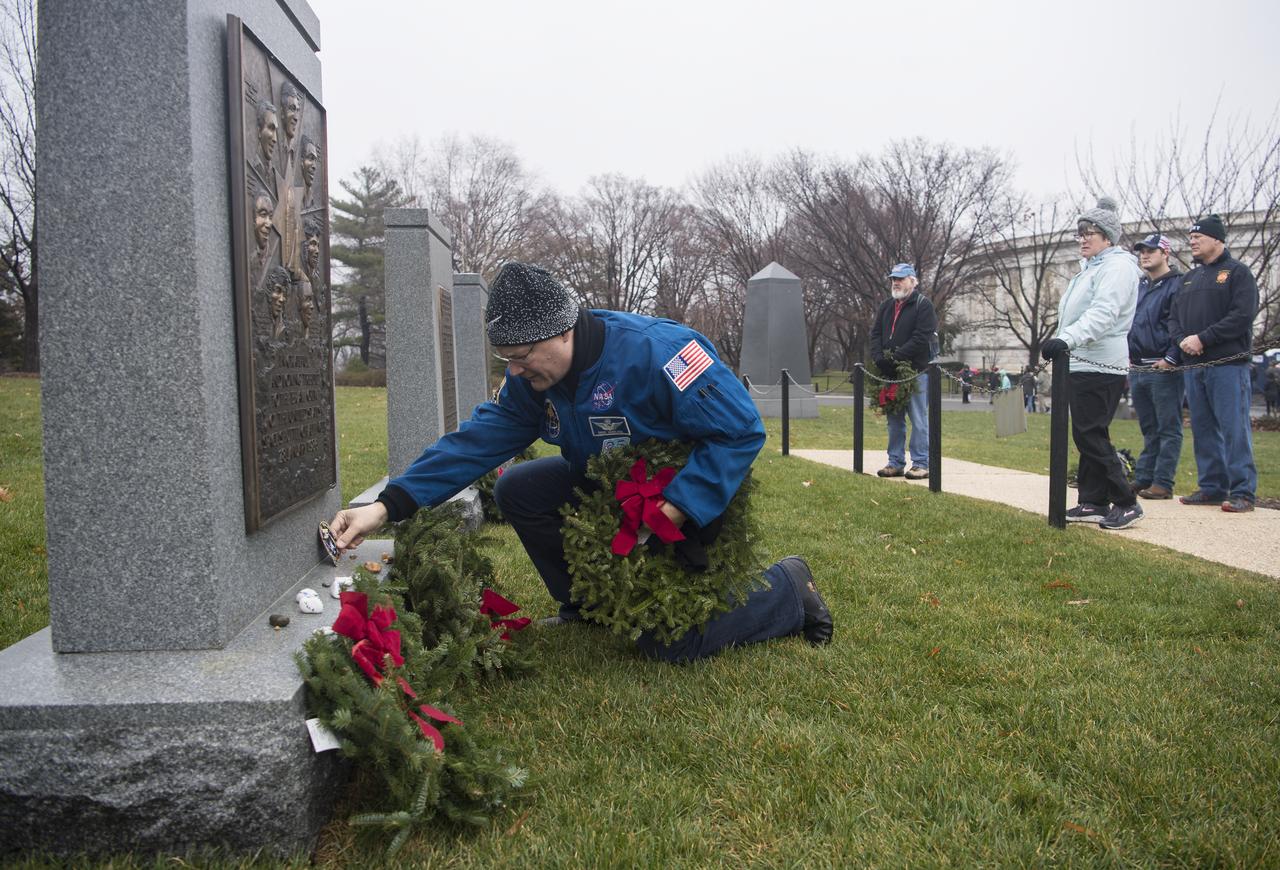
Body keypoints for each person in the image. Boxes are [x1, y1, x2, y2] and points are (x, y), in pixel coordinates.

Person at [327, 262, 834, 663]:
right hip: (608, 489)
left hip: (688, 499)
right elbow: (475, 442)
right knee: (520, 489)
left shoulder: (661, 353)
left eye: (522, 356)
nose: (516, 370)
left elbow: (740, 431)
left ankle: (788, 588)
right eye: (507, 360)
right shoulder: (532, 379)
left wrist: (672, 510)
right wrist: (385, 506)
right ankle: (589, 606)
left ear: (563, 331)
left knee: (670, 643)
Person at [1040, 197, 1142, 530]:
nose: (1083, 238)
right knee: (1086, 434)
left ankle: (1126, 501)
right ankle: (1093, 499)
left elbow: (1103, 314)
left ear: (1108, 237)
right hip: (1082, 363)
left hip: (1101, 364)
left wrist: (1066, 339)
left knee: (1091, 434)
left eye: (1091, 232)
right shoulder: (1092, 268)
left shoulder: (1118, 267)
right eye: (1080, 232)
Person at [1169, 214, 1259, 512]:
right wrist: (1182, 340)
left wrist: (1203, 338)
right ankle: (1212, 486)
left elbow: (1241, 316)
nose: (1192, 241)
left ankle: (1243, 491)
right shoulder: (1189, 278)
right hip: (1195, 367)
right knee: (1203, 429)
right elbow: (1174, 318)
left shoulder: (1237, 273)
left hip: (1227, 366)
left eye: (1199, 237)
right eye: (1191, 237)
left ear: (1217, 239)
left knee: (1234, 428)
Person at [1126, 233, 1184, 499]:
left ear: (1165, 254)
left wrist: (1172, 357)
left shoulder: (1177, 285)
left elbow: (1180, 323)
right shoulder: (1141, 286)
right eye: (1142, 251)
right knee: (1148, 427)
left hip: (1163, 367)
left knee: (1168, 427)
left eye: (1151, 251)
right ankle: (1145, 477)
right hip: (1138, 366)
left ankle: (1163, 482)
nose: (1145, 255)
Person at [870, 263, 937, 480]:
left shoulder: (923, 305)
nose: (895, 282)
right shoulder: (886, 306)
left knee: (918, 418)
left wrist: (896, 358)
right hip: (891, 374)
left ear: (912, 281)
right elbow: (876, 334)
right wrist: (879, 358)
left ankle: (921, 463)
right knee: (894, 419)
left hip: (916, 372)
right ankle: (895, 462)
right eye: (893, 279)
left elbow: (921, 337)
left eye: (900, 278)